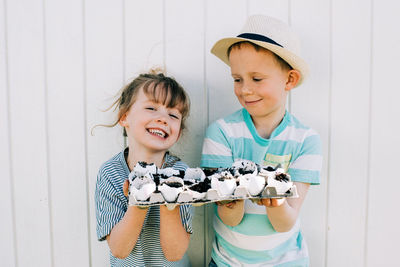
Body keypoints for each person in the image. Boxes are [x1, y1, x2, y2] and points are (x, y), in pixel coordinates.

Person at [201, 15, 322, 266]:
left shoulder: (306, 141)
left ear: (289, 80)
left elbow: (285, 222)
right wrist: (231, 198)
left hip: (285, 261)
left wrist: (275, 200)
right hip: (227, 262)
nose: (245, 89)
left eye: (256, 79)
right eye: (237, 79)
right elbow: (229, 219)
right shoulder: (222, 133)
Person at [95, 70, 193, 266]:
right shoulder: (111, 173)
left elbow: (175, 253)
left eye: (173, 114)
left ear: (179, 132)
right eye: (151, 108)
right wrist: (139, 200)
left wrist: (168, 196)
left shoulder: (182, 174)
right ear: (124, 117)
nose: (163, 118)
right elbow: (119, 249)